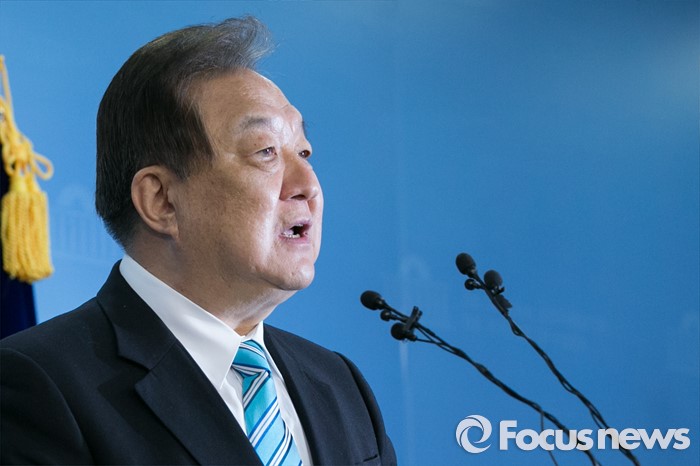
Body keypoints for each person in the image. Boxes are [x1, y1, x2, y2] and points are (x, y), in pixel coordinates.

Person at [0, 17, 396, 466]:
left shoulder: (340, 385)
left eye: (304, 152)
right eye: (266, 152)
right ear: (162, 201)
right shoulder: (38, 386)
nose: (309, 185)